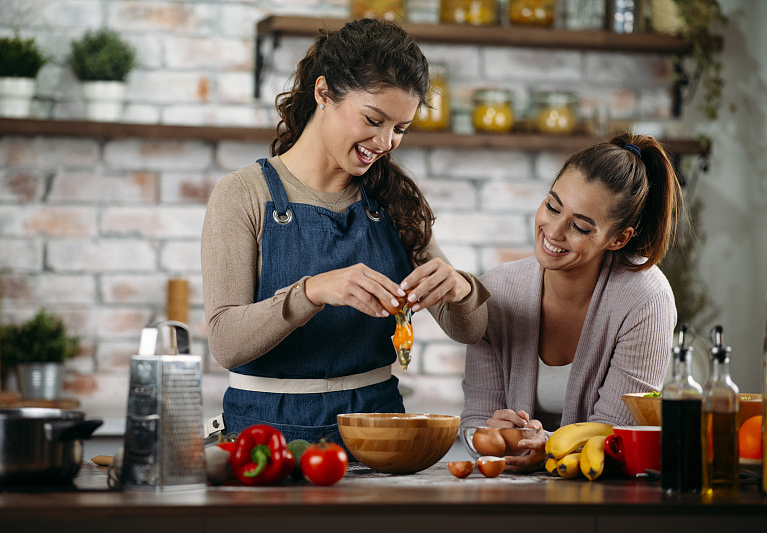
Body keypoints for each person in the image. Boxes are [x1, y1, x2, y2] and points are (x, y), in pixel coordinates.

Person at [202, 18, 489, 446]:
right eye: (373, 119)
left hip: (379, 434)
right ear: (323, 94)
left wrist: (460, 289)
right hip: (263, 437)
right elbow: (226, 343)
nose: (387, 141)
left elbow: (470, 330)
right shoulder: (243, 194)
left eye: (401, 129)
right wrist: (312, 291)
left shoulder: (394, 199)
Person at [461, 132, 681, 471]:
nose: (554, 231)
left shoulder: (645, 300)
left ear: (618, 238)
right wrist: (493, 434)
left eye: (579, 226)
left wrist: (547, 446)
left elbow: (618, 434)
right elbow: (475, 419)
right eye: (552, 206)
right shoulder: (497, 290)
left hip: (605, 496)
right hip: (509, 496)